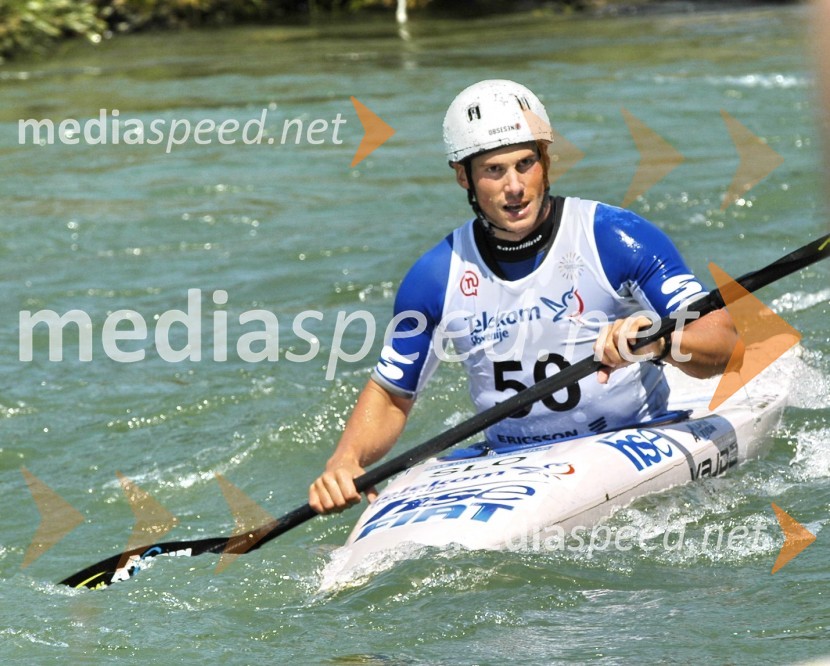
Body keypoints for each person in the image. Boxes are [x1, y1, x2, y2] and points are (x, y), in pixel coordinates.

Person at [309, 79, 737, 515]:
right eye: (494, 170)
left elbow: (722, 340)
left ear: (546, 162)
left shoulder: (612, 237)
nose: (514, 186)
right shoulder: (436, 276)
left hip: (628, 437)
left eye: (525, 163)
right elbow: (391, 393)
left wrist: (659, 342)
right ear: (464, 177)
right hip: (509, 464)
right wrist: (346, 461)